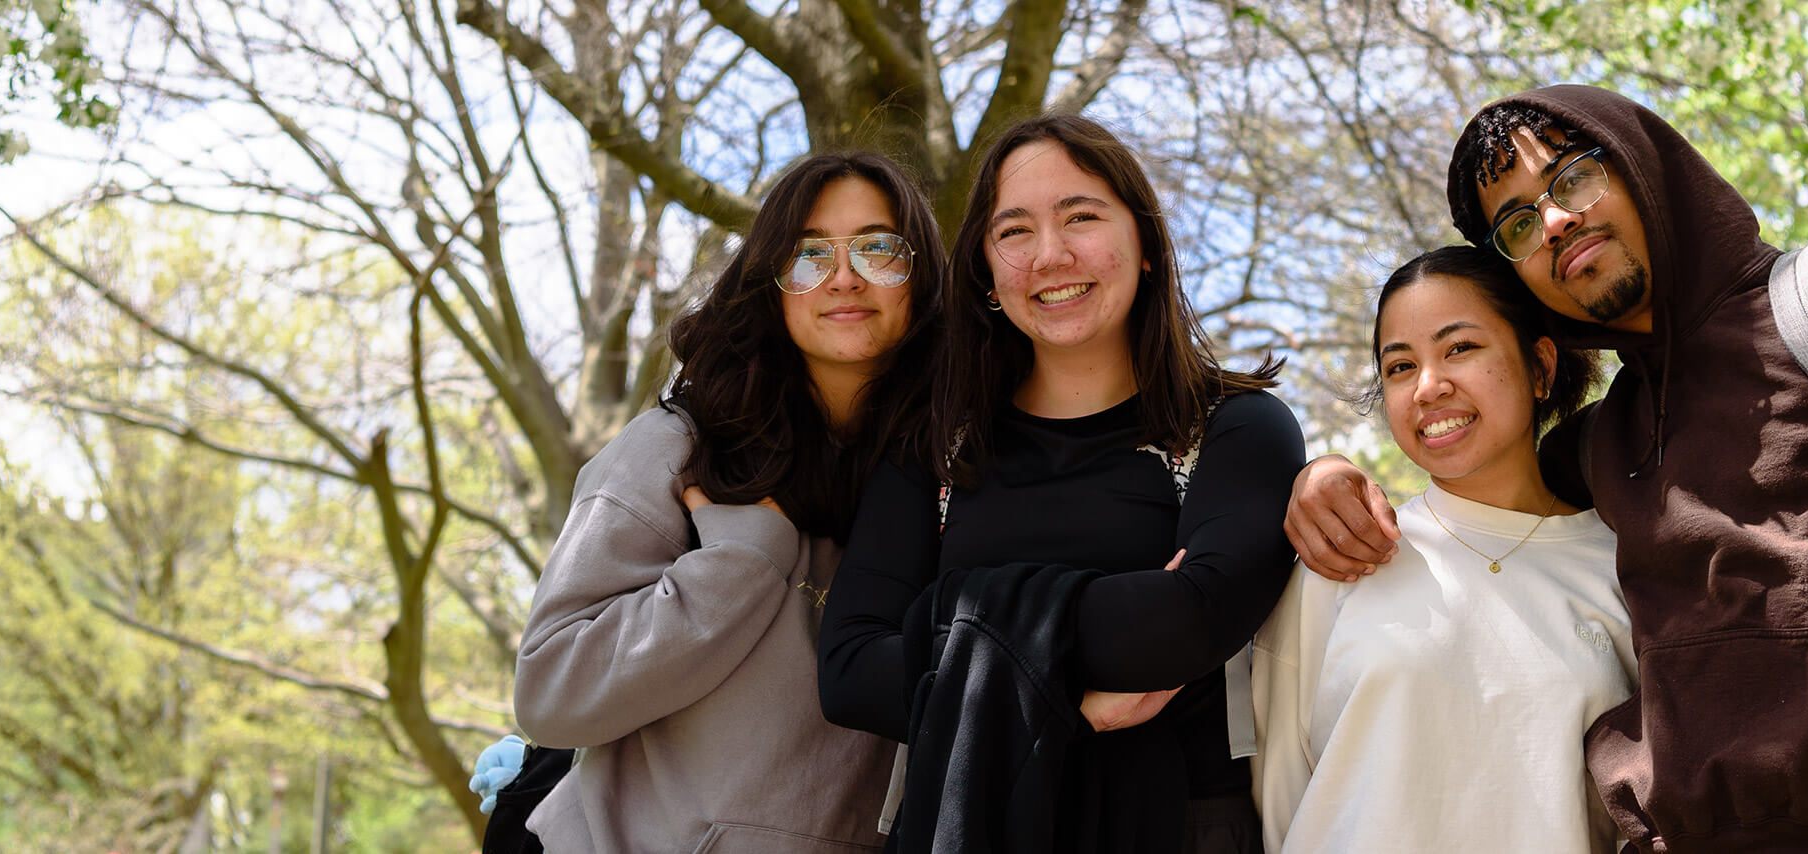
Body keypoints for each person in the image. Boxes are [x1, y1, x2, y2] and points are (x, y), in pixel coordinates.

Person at [1282, 84, 1808, 853]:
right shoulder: (1604, 442)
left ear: (1645, 162)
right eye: (1516, 223)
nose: (1553, 222)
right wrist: (1324, 479)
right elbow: (1482, 487)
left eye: (1572, 178)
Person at [817, 114, 1304, 854]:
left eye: (1081, 216)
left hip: (1178, 829)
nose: (1050, 255)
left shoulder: (1236, 428)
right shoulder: (934, 444)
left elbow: (1188, 622)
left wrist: (951, 618)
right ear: (984, 269)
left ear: (1144, 246)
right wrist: (1076, 698)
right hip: (957, 822)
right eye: (1013, 232)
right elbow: (849, 672)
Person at [508, 151, 944, 853]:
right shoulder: (674, 449)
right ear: (770, 283)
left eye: (877, 248)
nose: (843, 277)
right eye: (807, 254)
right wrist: (738, 565)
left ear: (921, 279)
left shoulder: (946, 483)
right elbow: (549, 694)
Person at [1250, 246, 1627, 853]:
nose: (1428, 387)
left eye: (1460, 348)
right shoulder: (1344, 556)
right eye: (1400, 367)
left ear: (1539, 366)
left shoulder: (1621, 568)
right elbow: (1280, 797)